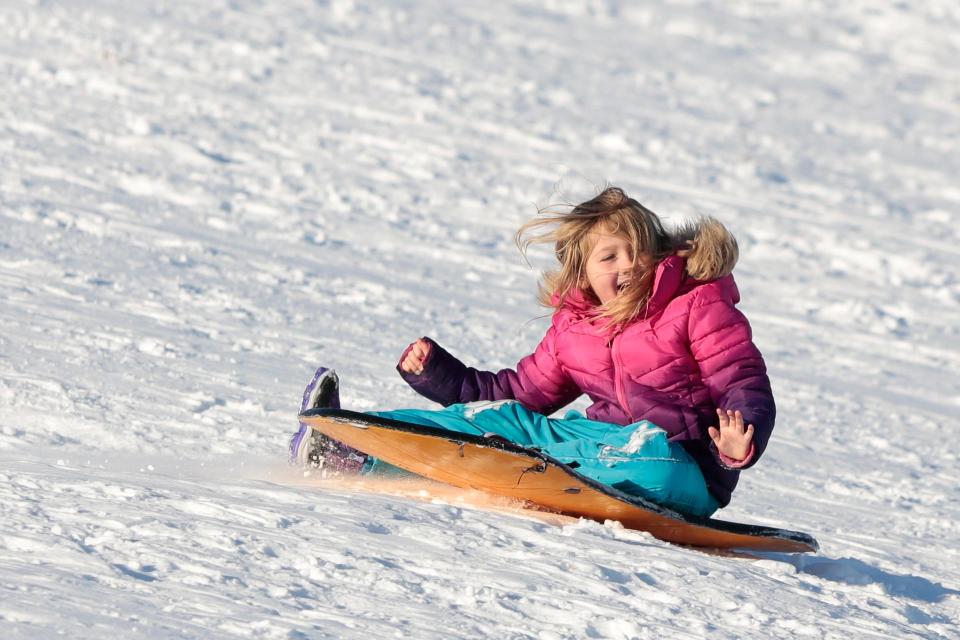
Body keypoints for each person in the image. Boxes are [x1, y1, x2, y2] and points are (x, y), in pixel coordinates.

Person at [290, 187, 774, 517]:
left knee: (644, 458)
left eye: (638, 251)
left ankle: (544, 468)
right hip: (592, 448)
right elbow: (517, 393)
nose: (628, 265)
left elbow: (741, 379)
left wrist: (736, 443)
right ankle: (355, 446)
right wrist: (437, 373)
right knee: (505, 422)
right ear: (582, 272)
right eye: (609, 256)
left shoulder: (696, 304)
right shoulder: (573, 329)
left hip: (680, 469)